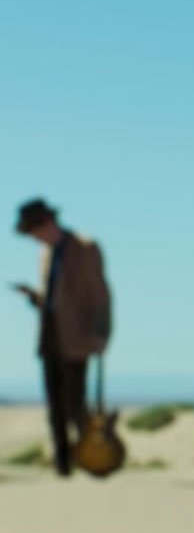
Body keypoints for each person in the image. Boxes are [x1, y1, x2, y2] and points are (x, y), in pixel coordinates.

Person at [12, 198, 113, 477]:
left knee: (75, 404)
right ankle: (63, 464)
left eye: (33, 231)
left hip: (77, 339)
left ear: (46, 223)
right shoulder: (45, 254)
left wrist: (101, 334)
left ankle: (92, 458)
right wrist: (34, 297)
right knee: (55, 405)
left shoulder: (84, 248)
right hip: (50, 338)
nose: (33, 238)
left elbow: (100, 295)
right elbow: (54, 300)